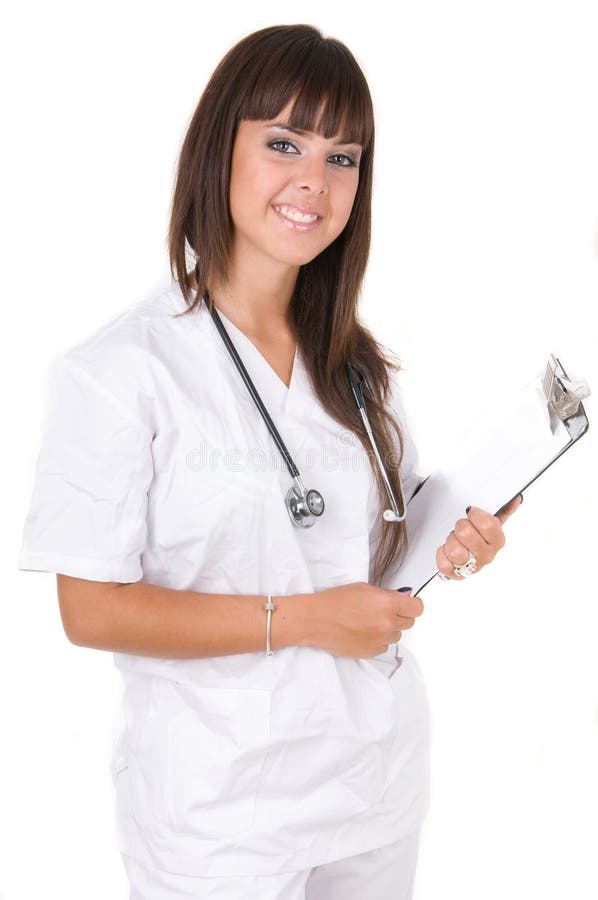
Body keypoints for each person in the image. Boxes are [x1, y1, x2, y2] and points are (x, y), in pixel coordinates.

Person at [17, 23, 521, 900]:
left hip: (372, 790)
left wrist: (454, 538)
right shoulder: (119, 372)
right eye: (284, 143)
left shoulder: (357, 366)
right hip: (218, 816)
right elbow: (89, 608)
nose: (313, 183)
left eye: (343, 158)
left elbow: (378, 553)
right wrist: (304, 619)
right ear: (221, 151)